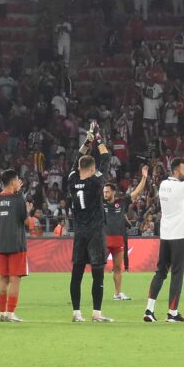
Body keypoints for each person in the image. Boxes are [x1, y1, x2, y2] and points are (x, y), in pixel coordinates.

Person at [143, 149, 184, 323]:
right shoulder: (182, 187)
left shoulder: (164, 184)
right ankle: (172, 313)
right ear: (175, 171)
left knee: (160, 272)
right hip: (180, 235)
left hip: (166, 235)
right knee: (177, 274)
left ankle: (149, 310)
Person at [68, 123, 114, 323]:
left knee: (77, 273)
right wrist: (98, 138)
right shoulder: (96, 181)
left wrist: (88, 140)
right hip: (95, 232)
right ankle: (96, 313)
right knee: (97, 273)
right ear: (93, 169)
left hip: (79, 232)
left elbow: (77, 159)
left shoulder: (72, 179)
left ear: (79, 168)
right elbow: (106, 157)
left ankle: (76, 313)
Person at [103, 165, 149, 301]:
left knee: (118, 268)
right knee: (99, 268)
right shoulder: (100, 203)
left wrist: (144, 178)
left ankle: (117, 294)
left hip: (118, 239)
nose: (105, 194)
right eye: (104, 192)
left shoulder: (122, 202)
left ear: (113, 192)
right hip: (104, 239)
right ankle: (97, 293)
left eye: (107, 192)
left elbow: (137, 192)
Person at [0, 169, 31, 322]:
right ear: (14, 181)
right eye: (17, 180)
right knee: (15, 280)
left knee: (4, 279)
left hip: (1, 245)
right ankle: (11, 313)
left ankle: (1, 313)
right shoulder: (18, 198)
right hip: (16, 244)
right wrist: (28, 210)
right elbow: (26, 222)